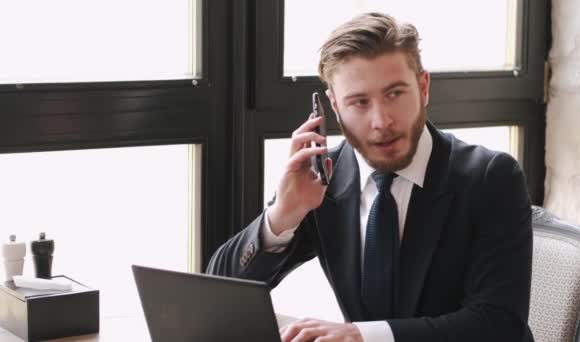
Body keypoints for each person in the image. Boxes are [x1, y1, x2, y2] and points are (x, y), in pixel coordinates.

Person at [207, 12, 534, 342]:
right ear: (334, 107)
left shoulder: (490, 178)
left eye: (395, 94)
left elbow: (498, 324)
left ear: (423, 87)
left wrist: (361, 337)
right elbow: (218, 290)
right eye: (359, 102)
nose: (381, 121)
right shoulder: (324, 178)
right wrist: (282, 216)